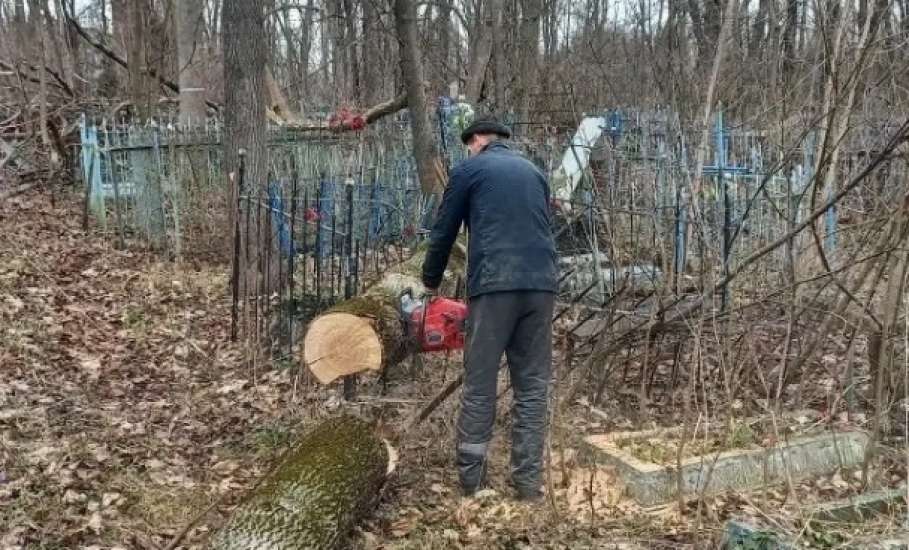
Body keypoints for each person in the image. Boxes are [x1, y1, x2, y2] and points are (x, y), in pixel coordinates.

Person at [421, 116, 558, 500]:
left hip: (495, 285)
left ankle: (472, 483)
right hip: (541, 285)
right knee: (532, 388)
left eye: (469, 144)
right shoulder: (534, 171)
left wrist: (430, 281)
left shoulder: (469, 170)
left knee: (481, 383)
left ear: (478, 140)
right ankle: (528, 486)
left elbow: (444, 230)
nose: (468, 149)